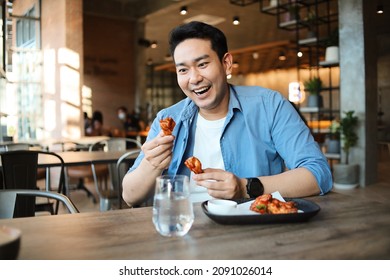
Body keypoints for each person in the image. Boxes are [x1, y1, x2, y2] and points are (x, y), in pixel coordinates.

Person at [122, 21, 332, 206]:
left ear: (226, 63)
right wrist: (152, 164)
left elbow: (317, 174)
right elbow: (130, 196)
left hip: (252, 231)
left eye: (202, 64)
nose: (193, 78)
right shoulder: (168, 119)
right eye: (183, 70)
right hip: (183, 229)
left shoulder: (269, 106)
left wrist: (246, 187)